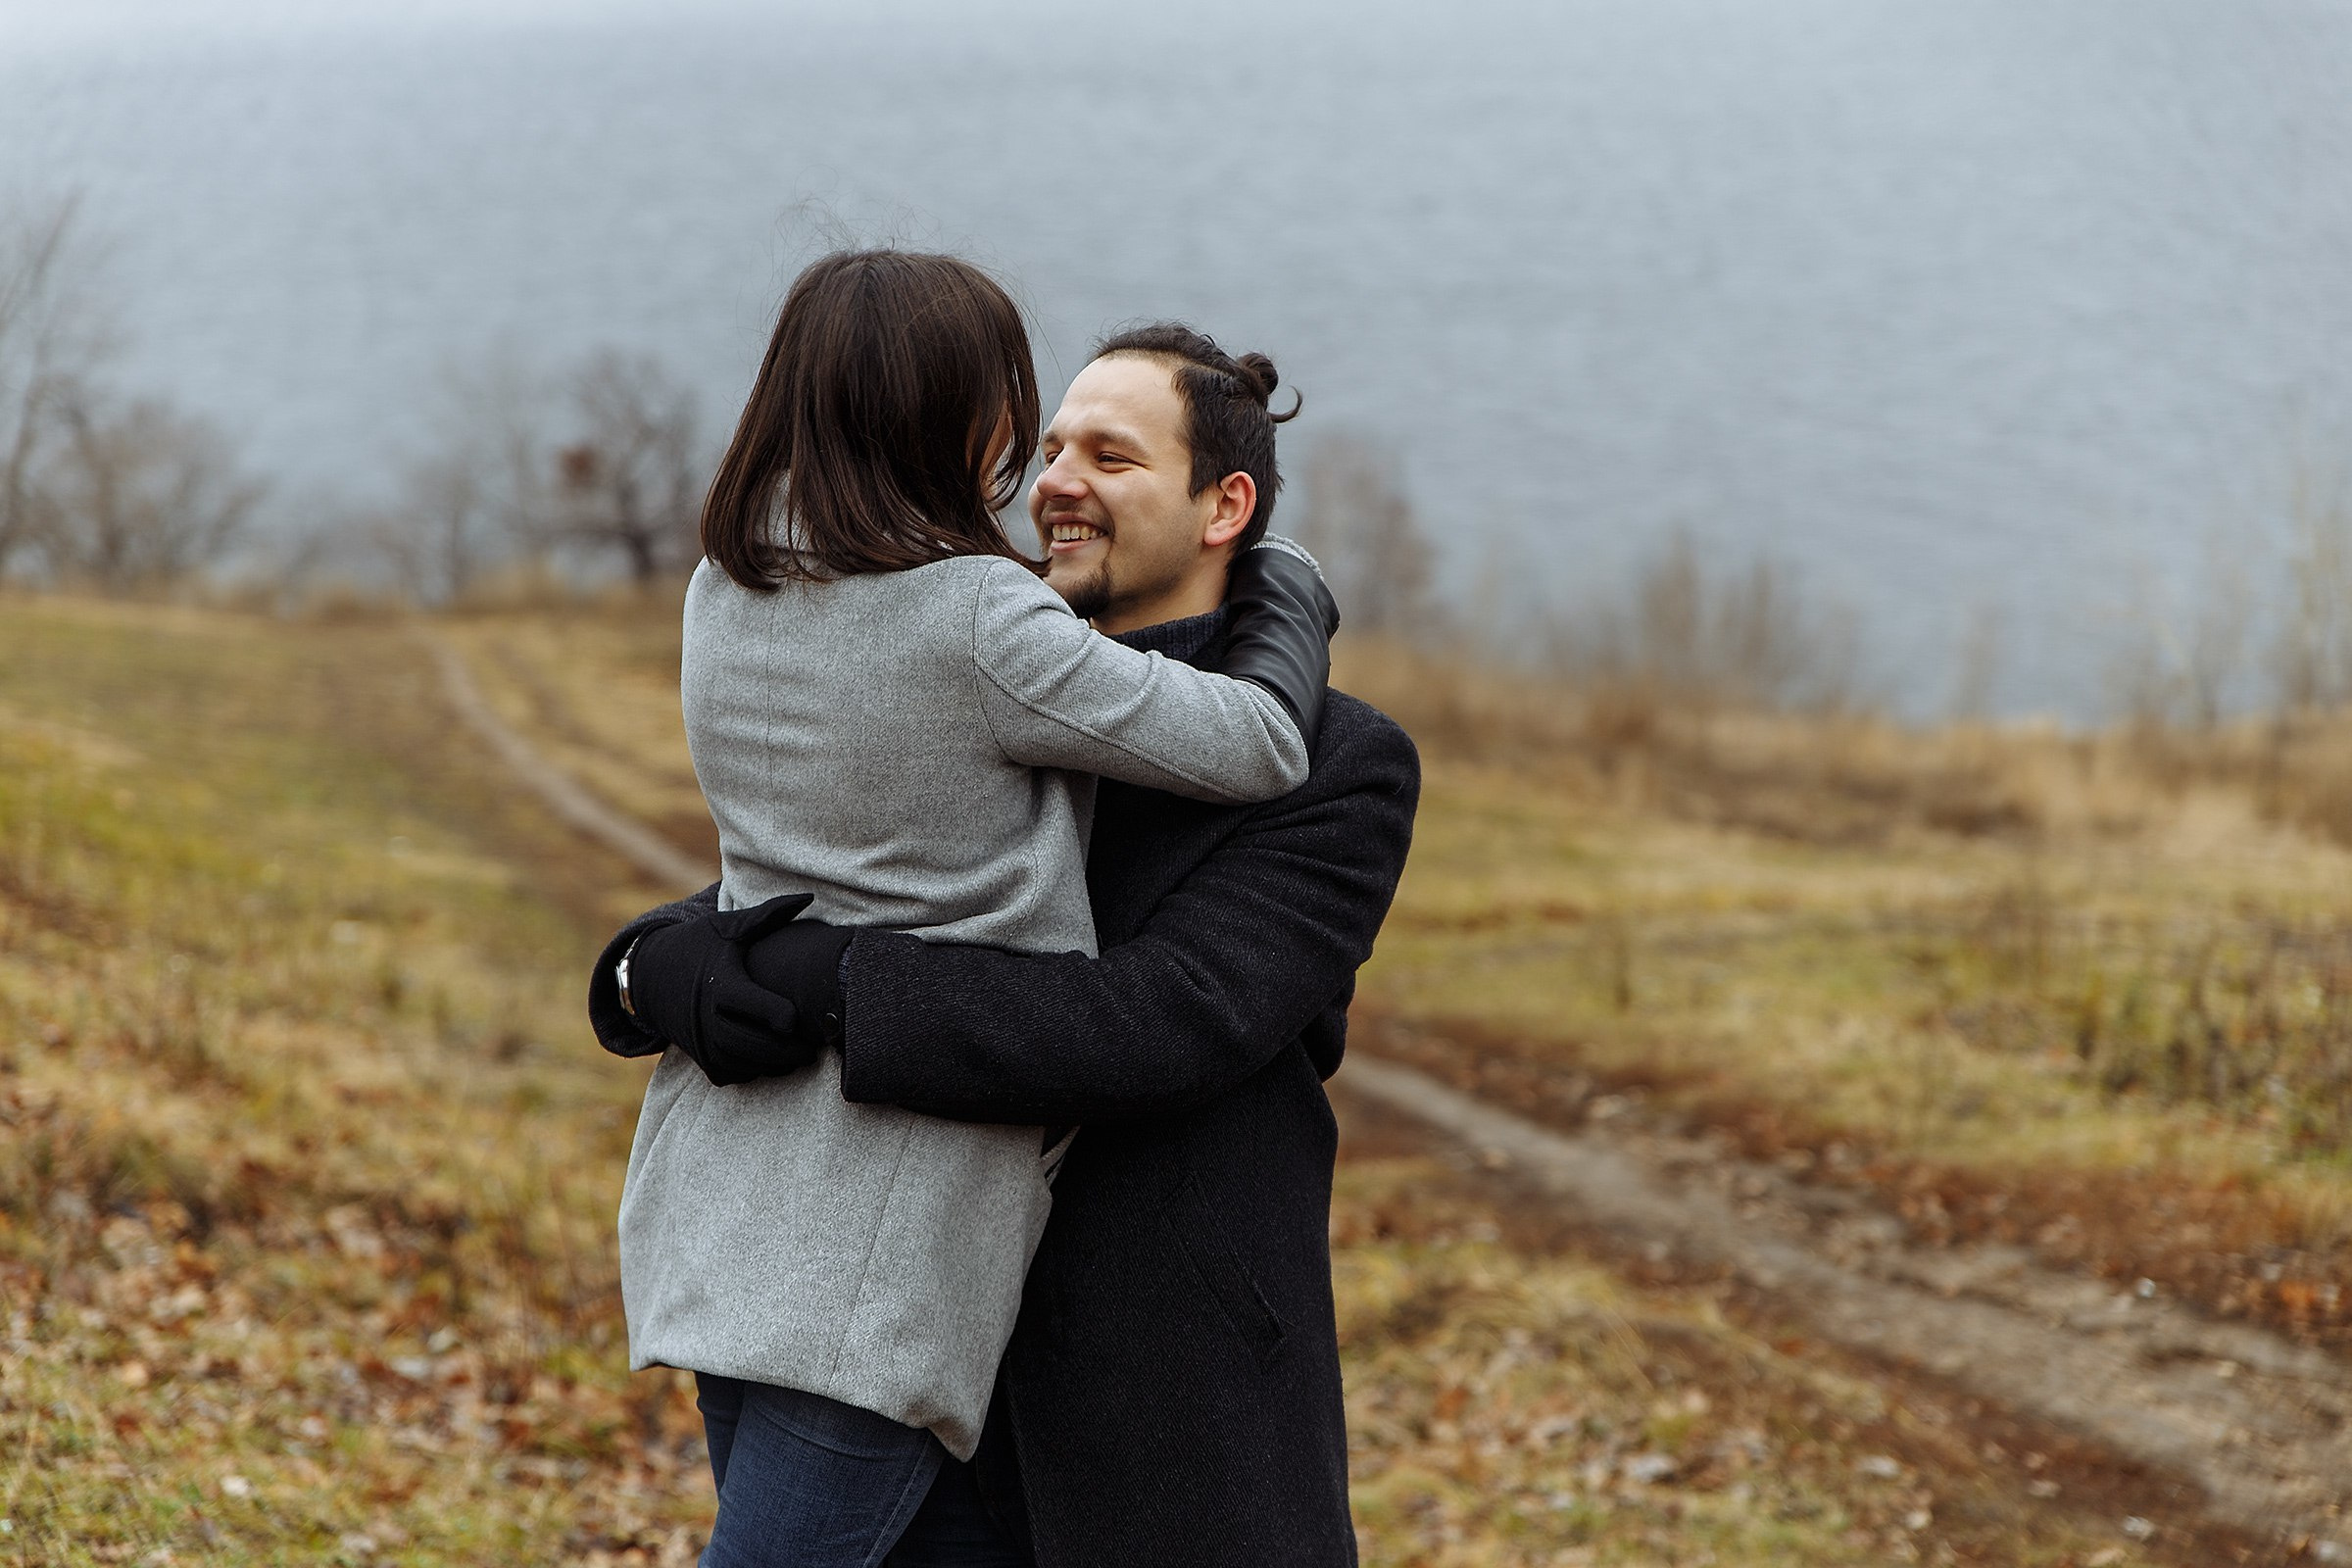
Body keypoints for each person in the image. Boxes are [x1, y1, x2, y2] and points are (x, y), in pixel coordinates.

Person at [593, 322, 1420, 1567]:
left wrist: (837, 987)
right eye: (1048, 447)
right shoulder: (991, 669)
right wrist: (643, 967)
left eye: (1111, 456)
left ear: (1223, 505)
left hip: (1162, 1399)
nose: (1055, 483)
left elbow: (1159, 1020)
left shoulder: (1338, 768)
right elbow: (810, 869)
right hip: (911, 1341)